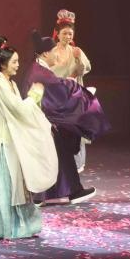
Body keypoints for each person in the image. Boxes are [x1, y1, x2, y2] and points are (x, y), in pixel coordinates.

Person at [0, 38, 58, 239]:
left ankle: (16, 226)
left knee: (13, 185)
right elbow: (19, 109)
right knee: (0, 186)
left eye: (18, 61)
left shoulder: (12, 84)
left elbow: (21, 113)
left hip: (7, 140)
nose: (18, 65)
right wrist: (34, 95)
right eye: (14, 62)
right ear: (3, 64)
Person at [25, 31, 110, 206]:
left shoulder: (39, 69)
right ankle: (66, 192)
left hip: (44, 121)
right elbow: (61, 89)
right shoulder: (41, 72)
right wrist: (82, 91)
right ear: (45, 54)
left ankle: (61, 193)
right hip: (42, 123)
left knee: (60, 155)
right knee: (59, 153)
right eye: (54, 51)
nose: (56, 54)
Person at [44, 9, 93, 172]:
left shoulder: (75, 50)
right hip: (57, 96)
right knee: (58, 130)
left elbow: (84, 69)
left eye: (70, 34)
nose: (68, 36)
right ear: (57, 34)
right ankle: (57, 166)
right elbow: (49, 73)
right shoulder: (52, 52)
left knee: (75, 128)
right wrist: (66, 73)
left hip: (74, 95)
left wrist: (78, 58)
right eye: (65, 33)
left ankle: (75, 166)